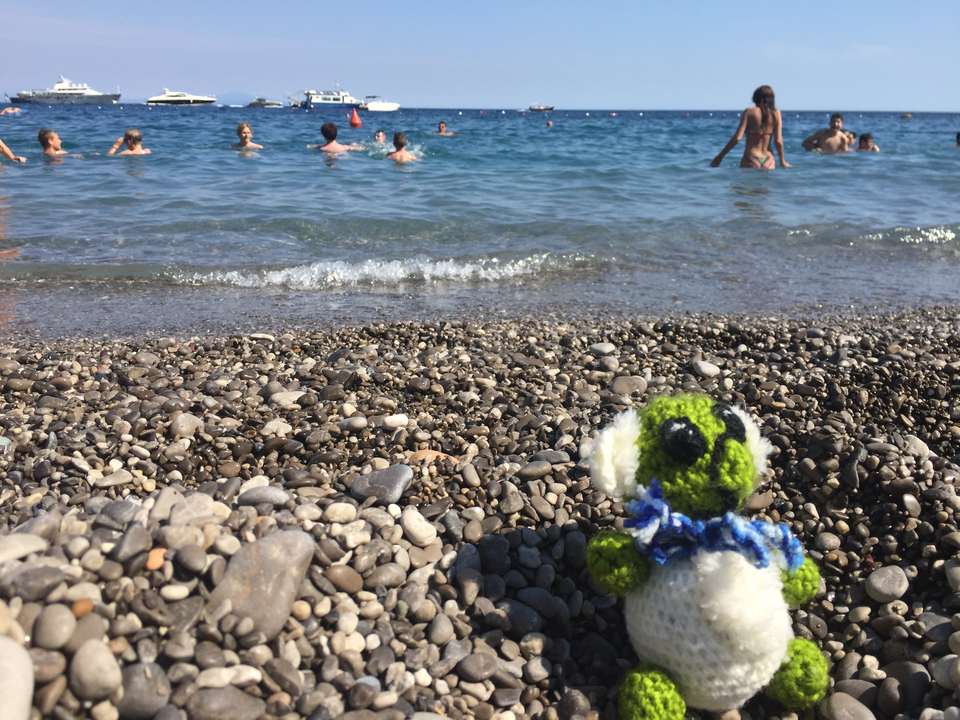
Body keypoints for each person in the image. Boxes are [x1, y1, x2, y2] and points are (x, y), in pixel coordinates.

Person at [710, 85, 789, 169]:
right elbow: (778, 140)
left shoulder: (749, 112)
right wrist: (782, 160)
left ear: (755, 98)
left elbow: (737, 138)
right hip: (769, 160)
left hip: (751, 158)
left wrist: (720, 156)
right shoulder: (776, 113)